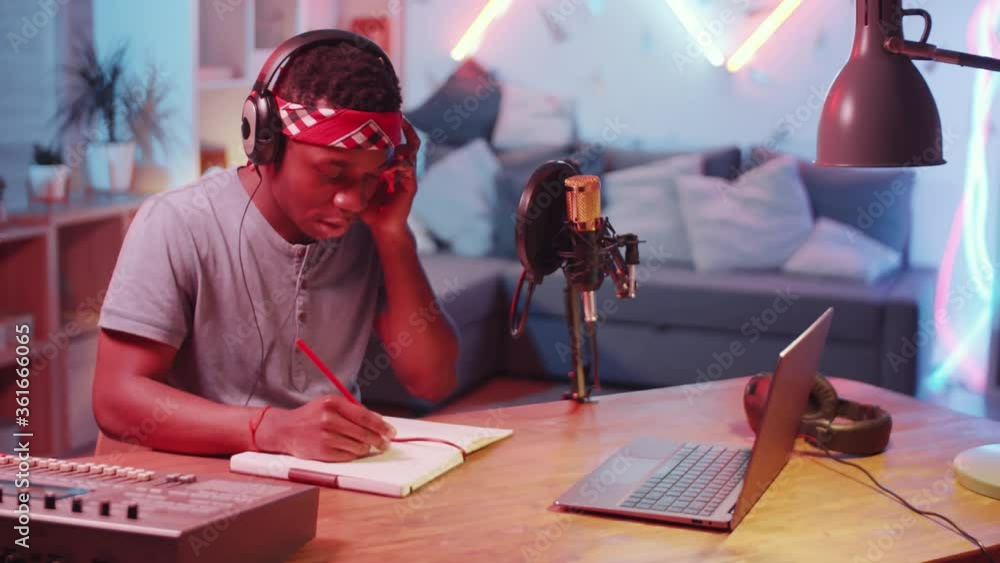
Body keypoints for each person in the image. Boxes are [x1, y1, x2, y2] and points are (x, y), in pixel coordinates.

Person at [92, 31, 459, 462]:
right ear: (265, 140)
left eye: (369, 177)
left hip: (326, 476)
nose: (353, 200)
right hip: (194, 473)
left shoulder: (370, 227)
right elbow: (116, 398)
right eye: (333, 173)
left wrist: (395, 236)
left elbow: (432, 381)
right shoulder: (177, 222)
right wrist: (271, 429)